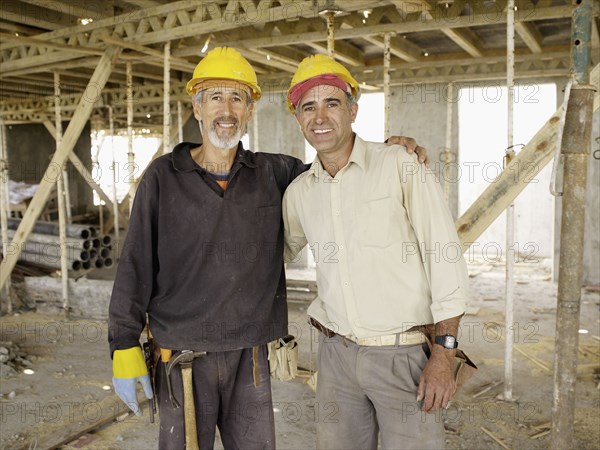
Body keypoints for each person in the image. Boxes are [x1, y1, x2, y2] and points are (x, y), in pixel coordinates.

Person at [108, 47, 428, 449]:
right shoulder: (163, 177)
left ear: (249, 111)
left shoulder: (275, 172)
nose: (226, 110)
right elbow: (134, 263)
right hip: (182, 356)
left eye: (237, 98)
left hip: (251, 355)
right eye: (216, 97)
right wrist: (123, 344)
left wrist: (388, 151)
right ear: (197, 107)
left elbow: (339, 171)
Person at [282, 54, 470, 449]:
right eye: (308, 107)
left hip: (403, 357)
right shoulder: (300, 192)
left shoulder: (400, 165)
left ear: (353, 109)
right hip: (335, 357)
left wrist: (444, 355)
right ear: (298, 118)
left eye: (332, 103)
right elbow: (278, 253)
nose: (320, 117)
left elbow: (445, 258)